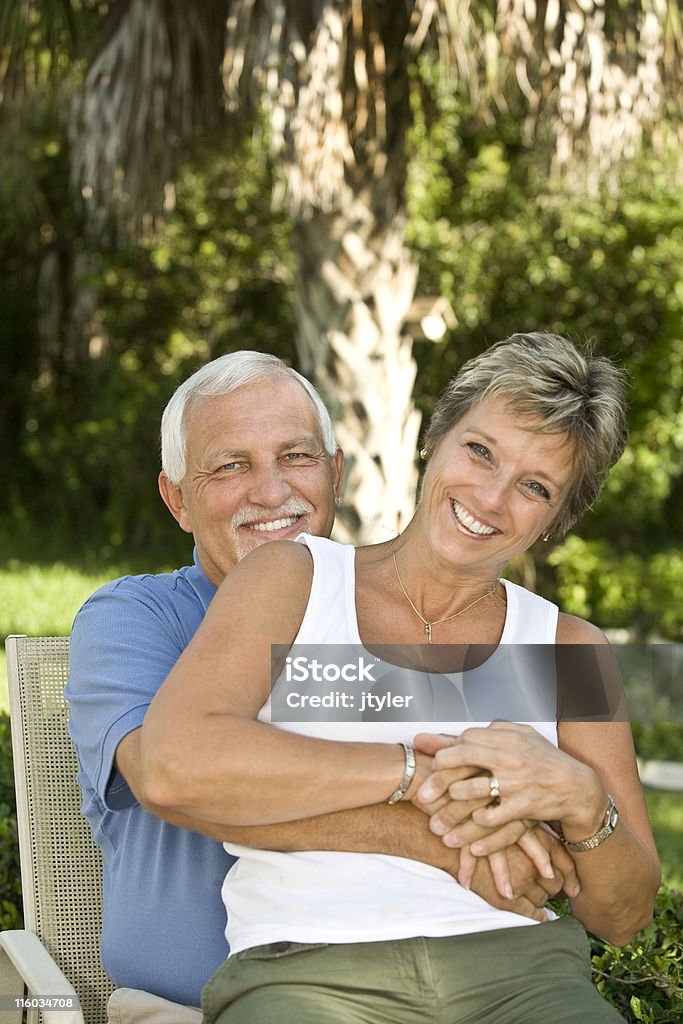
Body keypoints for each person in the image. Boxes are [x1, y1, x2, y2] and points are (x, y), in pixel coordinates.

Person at [139, 333, 660, 1024]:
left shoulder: (568, 648)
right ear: (433, 439)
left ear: (555, 519)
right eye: (479, 452)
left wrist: (584, 801)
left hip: (523, 978)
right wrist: (417, 774)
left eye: (535, 487)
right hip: (307, 975)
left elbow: (622, 917)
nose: (492, 497)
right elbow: (176, 765)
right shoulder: (292, 578)